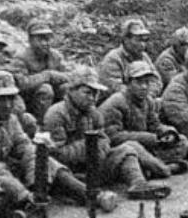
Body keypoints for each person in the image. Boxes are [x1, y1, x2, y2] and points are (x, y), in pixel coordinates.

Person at [0, 71, 115, 218]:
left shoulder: (9, 118)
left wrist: (38, 180)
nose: (7, 105)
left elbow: (26, 148)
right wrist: (23, 193)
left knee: (44, 160)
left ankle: (90, 195)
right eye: (0, 99)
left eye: (11, 98)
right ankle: (18, 210)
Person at [43, 66, 170, 200]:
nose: (92, 98)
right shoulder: (56, 114)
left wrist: (101, 147)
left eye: (95, 93)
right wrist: (89, 145)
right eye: (87, 92)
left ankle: (138, 184)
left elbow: (104, 139)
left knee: (127, 149)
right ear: (72, 90)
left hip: (94, 167)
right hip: (73, 174)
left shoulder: (93, 113)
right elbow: (56, 154)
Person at [100, 61, 188, 177]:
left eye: (147, 82)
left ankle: (150, 167)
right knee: (132, 148)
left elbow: (154, 124)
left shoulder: (148, 101)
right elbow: (113, 137)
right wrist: (150, 138)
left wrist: (167, 132)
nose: (144, 87)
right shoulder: (116, 102)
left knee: (182, 141)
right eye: (139, 82)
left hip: (144, 146)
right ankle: (161, 168)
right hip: (122, 150)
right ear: (128, 83)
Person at [5, 19, 70, 124]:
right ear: (30, 40)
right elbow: (22, 84)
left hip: (53, 99)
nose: (45, 43)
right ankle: (41, 123)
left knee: (67, 88)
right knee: (45, 89)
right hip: (29, 101)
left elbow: (69, 76)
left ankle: (65, 119)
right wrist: (46, 76)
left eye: (47, 39)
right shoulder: (21, 58)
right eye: (40, 39)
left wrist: (55, 76)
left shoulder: (55, 56)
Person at [98, 19, 162, 97]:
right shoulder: (113, 58)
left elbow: (156, 81)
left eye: (144, 40)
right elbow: (115, 87)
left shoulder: (144, 57)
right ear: (126, 40)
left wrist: (148, 95)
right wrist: (140, 96)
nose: (142, 44)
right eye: (138, 40)